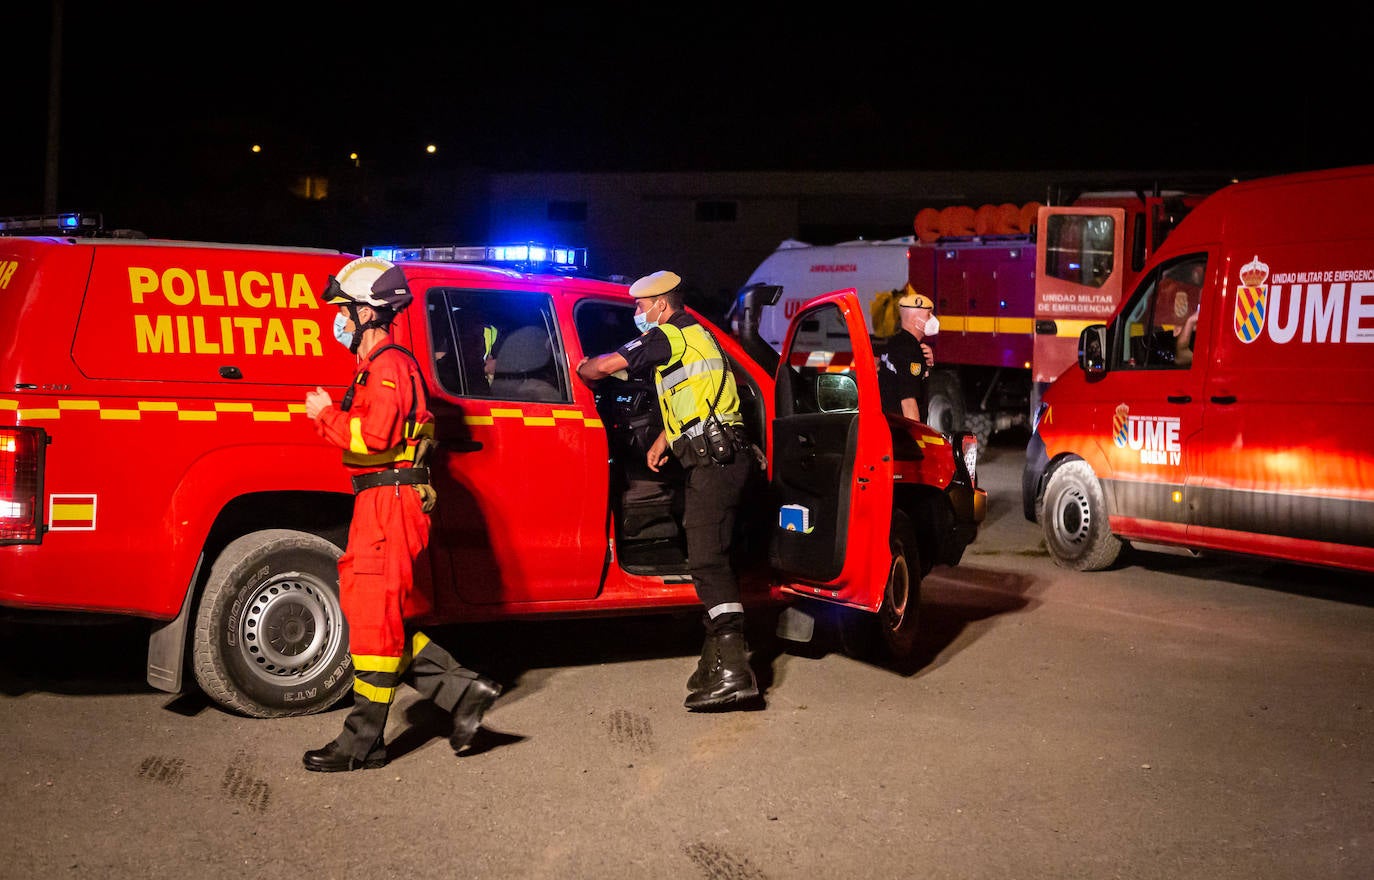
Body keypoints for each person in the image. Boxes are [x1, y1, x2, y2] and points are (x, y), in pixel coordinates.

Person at [302, 256, 501, 772]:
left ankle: (361, 742)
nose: (338, 320)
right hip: (382, 500)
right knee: (381, 615)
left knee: (374, 623)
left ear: (369, 313)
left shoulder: (388, 365)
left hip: (389, 503)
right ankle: (464, 693)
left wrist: (323, 414)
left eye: (344, 310)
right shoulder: (382, 365)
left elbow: (374, 437)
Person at [575, 270, 760, 711]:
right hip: (717, 457)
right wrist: (665, 438)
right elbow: (700, 395)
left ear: (660, 304)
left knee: (708, 560)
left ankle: (736, 671)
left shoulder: (667, 335)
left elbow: (602, 367)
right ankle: (714, 662)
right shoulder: (697, 336)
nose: (638, 314)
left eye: (640, 306)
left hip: (714, 463)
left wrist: (579, 367)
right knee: (707, 554)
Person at [877, 283, 939, 421]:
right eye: (928, 314)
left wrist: (927, 366)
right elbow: (908, 402)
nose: (933, 319)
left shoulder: (895, 342)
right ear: (916, 320)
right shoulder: (910, 351)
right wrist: (916, 438)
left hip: (890, 424)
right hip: (902, 429)